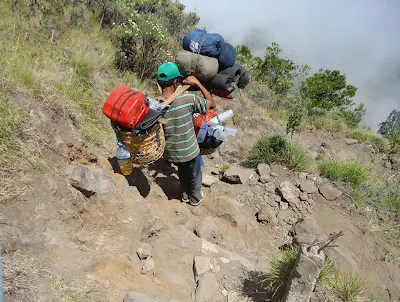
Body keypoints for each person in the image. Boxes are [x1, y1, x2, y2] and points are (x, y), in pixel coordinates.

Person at [157, 62, 216, 206]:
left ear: (159, 82)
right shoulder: (188, 99)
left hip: (171, 153)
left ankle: (184, 194)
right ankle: (195, 198)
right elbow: (212, 104)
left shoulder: (156, 105)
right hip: (189, 150)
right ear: (176, 81)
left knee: (182, 171)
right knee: (195, 174)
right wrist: (198, 83)